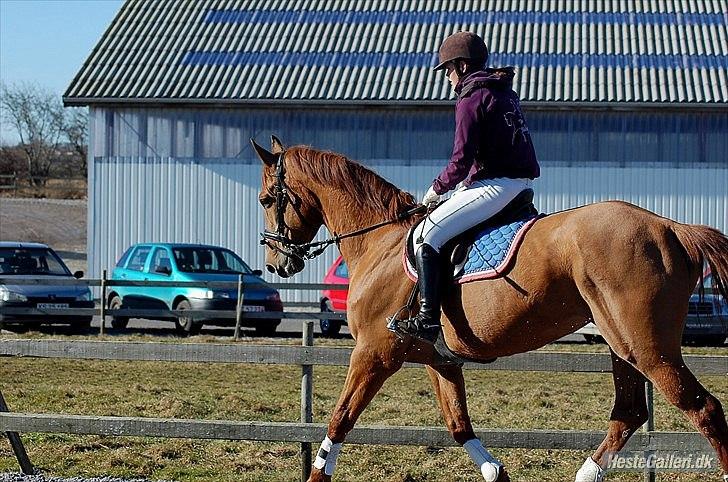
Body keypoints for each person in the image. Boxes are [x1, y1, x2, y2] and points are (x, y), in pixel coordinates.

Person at [397, 31, 540, 344]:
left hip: (495, 186)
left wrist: (436, 189)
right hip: (517, 184)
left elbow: (460, 159)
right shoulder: (503, 91)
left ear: (461, 66)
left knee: (426, 235)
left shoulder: (470, 97)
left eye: (447, 70)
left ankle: (427, 320)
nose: (447, 78)